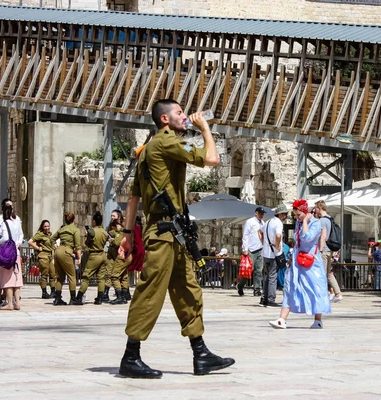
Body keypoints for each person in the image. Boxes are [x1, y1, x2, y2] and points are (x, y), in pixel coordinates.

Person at [117, 99, 234, 378]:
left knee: (188, 291)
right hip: (164, 233)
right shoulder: (166, 141)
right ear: (165, 120)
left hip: (173, 233)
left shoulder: (146, 151)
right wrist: (205, 129)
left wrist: (127, 235)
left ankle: (200, 353)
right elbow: (211, 159)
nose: (185, 116)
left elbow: (133, 198)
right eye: (180, 113)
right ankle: (130, 356)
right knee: (150, 292)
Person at [269, 199, 331, 329]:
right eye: (296, 215)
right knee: (291, 286)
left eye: (299, 215)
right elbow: (297, 242)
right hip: (298, 262)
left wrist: (304, 222)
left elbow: (307, 237)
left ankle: (318, 320)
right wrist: (291, 257)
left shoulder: (315, 223)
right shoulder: (298, 223)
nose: (297, 217)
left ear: (305, 211)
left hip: (312, 263)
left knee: (315, 288)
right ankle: (282, 319)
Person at [75, 212, 109, 305]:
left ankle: (79, 297)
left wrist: (87, 235)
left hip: (94, 255)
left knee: (86, 277)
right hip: (102, 255)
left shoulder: (92, 231)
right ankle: (100, 298)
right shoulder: (104, 232)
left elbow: (87, 243)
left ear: (94, 221)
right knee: (101, 278)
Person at [0, 205, 24, 311]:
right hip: (16, 252)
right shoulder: (16, 223)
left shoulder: (4, 223)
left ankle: (10, 303)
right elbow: (21, 235)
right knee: (16, 278)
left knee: (7, 279)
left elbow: (5, 238)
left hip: (7, 254)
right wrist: (18, 243)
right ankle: (17, 303)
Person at [51, 212, 82, 306]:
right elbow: (78, 246)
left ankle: (57, 298)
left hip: (58, 251)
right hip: (67, 252)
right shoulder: (75, 230)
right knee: (72, 276)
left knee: (60, 277)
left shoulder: (62, 229)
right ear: (74, 220)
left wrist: (55, 247)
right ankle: (73, 299)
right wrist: (79, 258)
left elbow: (52, 239)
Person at [261, 204, 288, 307]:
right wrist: (277, 246)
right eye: (285, 214)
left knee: (266, 276)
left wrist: (263, 243)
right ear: (281, 214)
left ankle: (264, 297)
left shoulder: (268, 222)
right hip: (274, 254)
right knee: (273, 276)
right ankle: (271, 299)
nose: (286, 216)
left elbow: (260, 232)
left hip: (265, 252)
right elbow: (278, 235)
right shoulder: (278, 223)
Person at [315, 200, 342, 303]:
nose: (315, 210)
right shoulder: (330, 219)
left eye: (316, 208)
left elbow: (323, 236)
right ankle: (337, 293)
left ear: (320, 208)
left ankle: (323, 295)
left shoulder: (322, 221)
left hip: (325, 250)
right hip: (330, 249)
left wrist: (320, 250)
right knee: (328, 273)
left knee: (322, 273)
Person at [240, 207, 265, 297]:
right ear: (256, 213)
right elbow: (245, 235)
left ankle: (257, 289)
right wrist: (245, 248)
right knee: (248, 270)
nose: (262, 215)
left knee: (259, 270)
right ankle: (240, 286)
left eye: (263, 214)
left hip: (260, 249)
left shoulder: (263, 223)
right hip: (251, 249)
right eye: (260, 213)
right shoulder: (250, 222)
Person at [28, 220, 56, 299]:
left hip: (50, 255)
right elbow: (30, 242)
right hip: (43, 255)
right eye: (45, 226)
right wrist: (37, 248)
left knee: (52, 274)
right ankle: (44, 292)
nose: (47, 228)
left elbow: (52, 244)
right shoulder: (39, 234)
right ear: (42, 227)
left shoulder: (49, 234)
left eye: (48, 226)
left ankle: (53, 291)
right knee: (44, 274)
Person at [109, 217, 133, 305]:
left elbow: (117, 242)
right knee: (123, 275)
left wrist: (112, 241)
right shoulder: (127, 231)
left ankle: (119, 296)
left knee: (114, 276)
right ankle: (125, 294)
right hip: (128, 255)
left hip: (123, 256)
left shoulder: (122, 232)